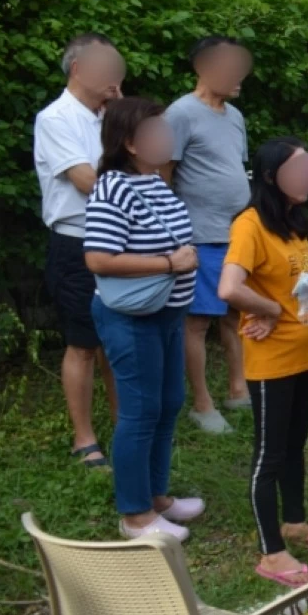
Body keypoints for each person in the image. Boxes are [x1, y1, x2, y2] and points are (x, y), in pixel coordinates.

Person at [218, 137, 308, 587]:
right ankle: (272, 553)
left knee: (294, 446)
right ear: (272, 177)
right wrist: (269, 311)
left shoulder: (294, 221)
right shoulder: (249, 225)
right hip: (271, 361)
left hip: (306, 352)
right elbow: (229, 288)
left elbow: (294, 282)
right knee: (269, 455)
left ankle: (295, 523)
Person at [84, 97, 204, 540]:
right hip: (132, 318)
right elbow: (97, 258)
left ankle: (157, 497)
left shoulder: (154, 182)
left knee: (169, 402)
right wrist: (168, 265)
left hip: (166, 314)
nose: (167, 138)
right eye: (156, 131)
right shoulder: (114, 186)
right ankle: (135, 515)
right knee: (139, 411)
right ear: (131, 143)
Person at [34, 33, 124, 468]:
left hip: (120, 239)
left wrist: (123, 119)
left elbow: (146, 163)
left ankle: (125, 424)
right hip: (77, 241)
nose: (115, 76)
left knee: (117, 339)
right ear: (78, 69)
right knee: (84, 343)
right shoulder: (56, 119)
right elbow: (87, 181)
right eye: (107, 67)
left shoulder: (108, 116)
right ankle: (84, 439)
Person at [164, 35, 254, 433]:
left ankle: (239, 390)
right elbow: (163, 175)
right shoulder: (179, 114)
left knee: (235, 314)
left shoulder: (234, 116)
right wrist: (173, 234)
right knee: (197, 321)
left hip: (236, 233)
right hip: (198, 234)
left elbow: (236, 168)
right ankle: (202, 404)